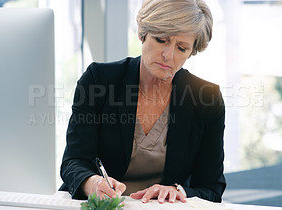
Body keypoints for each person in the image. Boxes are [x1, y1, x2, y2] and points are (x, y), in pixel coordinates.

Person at [60, 0, 226, 204]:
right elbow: (73, 161)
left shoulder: (207, 98)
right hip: (99, 206)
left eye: (181, 48)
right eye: (161, 40)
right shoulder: (98, 80)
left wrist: (178, 191)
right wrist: (92, 183)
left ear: (191, 52)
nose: (168, 55)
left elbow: (212, 187)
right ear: (142, 33)